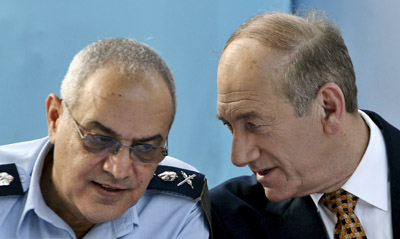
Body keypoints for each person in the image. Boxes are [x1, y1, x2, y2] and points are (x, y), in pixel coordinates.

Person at [210, 11, 399, 239]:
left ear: (327, 109)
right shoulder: (224, 219)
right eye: (229, 126)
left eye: (253, 124)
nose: (239, 157)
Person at [0, 38, 210, 238]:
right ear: (55, 118)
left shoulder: (178, 208)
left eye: (146, 148)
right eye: (100, 140)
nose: (119, 170)